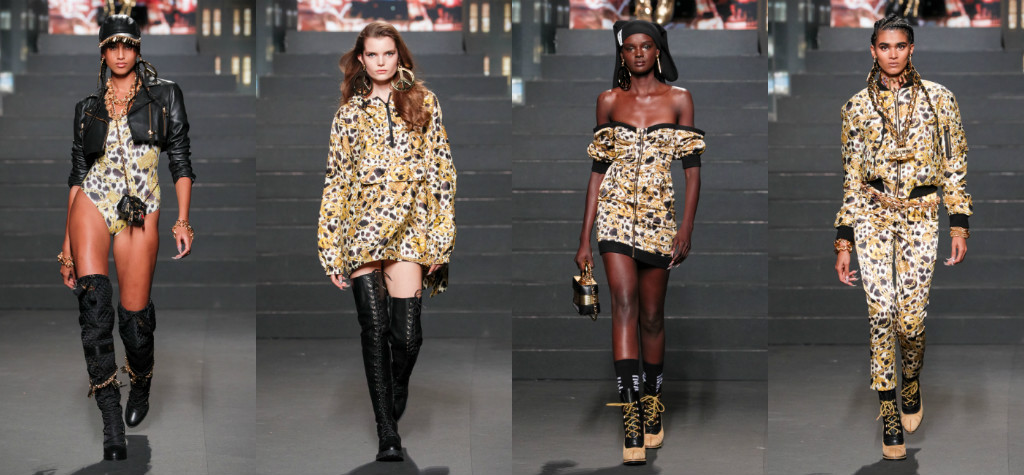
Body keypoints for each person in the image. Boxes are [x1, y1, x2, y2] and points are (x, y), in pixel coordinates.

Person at [833, 14, 971, 461]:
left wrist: (959, 222)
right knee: (880, 313)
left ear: (912, 49)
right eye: (884, 46)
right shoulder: (855, 107)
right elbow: (852, 177)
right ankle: (889, 412)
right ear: (872, 50)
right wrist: (844, 240)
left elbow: (954, 163)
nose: (892, 54)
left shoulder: (940, 99)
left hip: (921, 214)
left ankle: (910, 377)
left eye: (900, 46)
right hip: (872, 215)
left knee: (910, 321)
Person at [316, 21, 456, 463]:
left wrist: (441, 237)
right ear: (361, 59)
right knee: (373, 329)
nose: (381, 62)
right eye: (373, 55)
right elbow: (337, 181)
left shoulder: (424, 102)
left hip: (412, 228)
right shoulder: (348, 114)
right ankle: (386, 430)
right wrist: (330, 248)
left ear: (400, 56)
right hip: (361, 230)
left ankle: (393, 389)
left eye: (388, 54)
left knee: (408, 338)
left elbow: (442, 170)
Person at [60, 14, 194, 460]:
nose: (120, 54)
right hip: (93, 201)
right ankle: (110, 420)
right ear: (102, 52)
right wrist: (66, 247)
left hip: (141, 206)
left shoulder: (165, 95)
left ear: (138, 49)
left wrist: (182, 221)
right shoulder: (87, 108)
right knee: (94, 310)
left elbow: (180, 159)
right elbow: (78, 176)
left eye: (128, 45)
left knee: (134, 322)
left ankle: (141, 380)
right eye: (112, 46)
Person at [574, 20, 704, 466]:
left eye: (646, 46)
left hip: (659, 220)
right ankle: (631, 419)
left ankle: (652, 402)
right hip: (613, 218)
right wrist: (584, 238)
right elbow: (597, 173)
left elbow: (692, 172)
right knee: (624, 304)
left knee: (651, 316)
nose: (639, 53)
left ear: (657, 50)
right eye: (630, 48)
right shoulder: (608, 101)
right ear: (622, 54)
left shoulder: (680, 99)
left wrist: (686, 228)